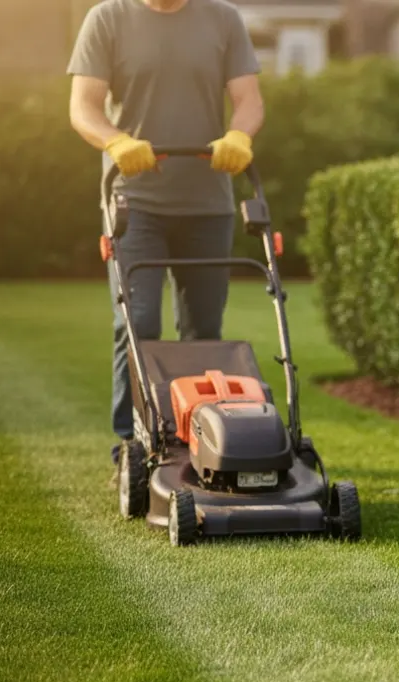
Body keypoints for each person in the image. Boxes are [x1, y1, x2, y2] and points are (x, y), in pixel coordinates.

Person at [66, 0, 264, 464]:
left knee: (204, 331)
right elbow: (83, 107)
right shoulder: (107, 18)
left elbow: (249, 99)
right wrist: (116, 141)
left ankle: (202, 435)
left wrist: (239, 136)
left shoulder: (223, 18)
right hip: (135, 203)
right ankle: (133, 443)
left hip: (208, 204)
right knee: (137, 323)